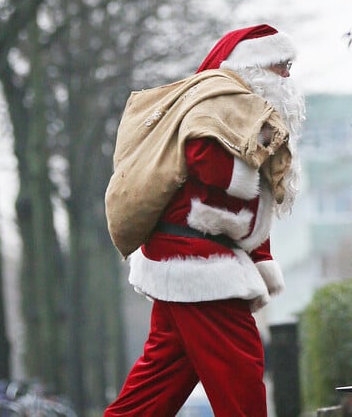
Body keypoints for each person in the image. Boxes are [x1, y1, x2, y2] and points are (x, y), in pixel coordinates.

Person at [103, 24, 305, 417]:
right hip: (200, 267)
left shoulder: (237, 106)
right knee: (242, 376)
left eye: (289, 65)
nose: (287, 74)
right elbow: (205, 160)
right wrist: (261, 148)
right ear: (253, 65)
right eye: (280, 64)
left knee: (153, 390)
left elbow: (248, 213)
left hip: (185, 259)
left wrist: (261, 258)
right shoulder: (222, 100)